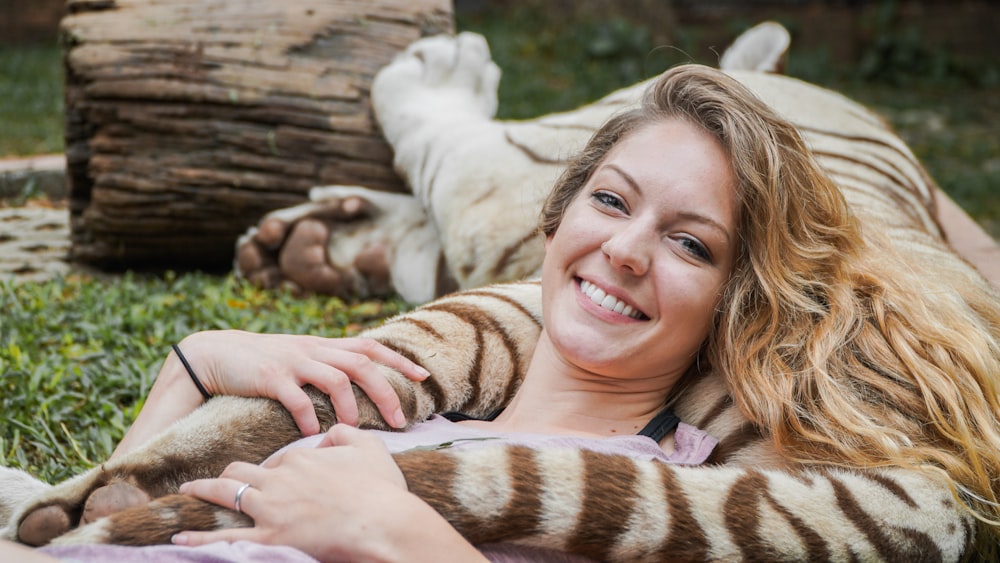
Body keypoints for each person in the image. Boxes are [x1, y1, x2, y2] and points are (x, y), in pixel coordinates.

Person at [8, 63, 1000, 561]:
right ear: (558, 211)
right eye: (611, 200)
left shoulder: (665, 493)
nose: (624, 247)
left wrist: (392, 525)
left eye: (689, 242)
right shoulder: (404, 405)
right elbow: (95, 527)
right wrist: (200, 358)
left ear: (731, 301)